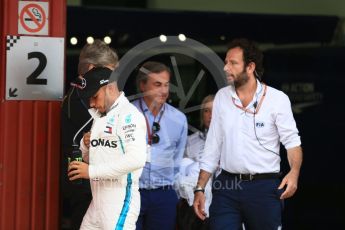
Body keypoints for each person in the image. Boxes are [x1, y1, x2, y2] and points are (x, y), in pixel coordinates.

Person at [193, 38, 303, 230]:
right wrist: (200, 188)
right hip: (227, 186)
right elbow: (213, 146)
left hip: (264, 186)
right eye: (226, 62)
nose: (226, 68)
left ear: (250, 67)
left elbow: (292, 143)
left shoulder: (277, 99)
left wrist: (294, 173)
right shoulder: (221, 97)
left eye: (233, 63)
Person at [67, 67, 147, 229]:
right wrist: (85, 145)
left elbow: (136, 159)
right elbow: (93, 160)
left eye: (94, 97)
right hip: (96, 203)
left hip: (119, 202)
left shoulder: (129, 115)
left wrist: (90, 171)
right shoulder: (100, 116)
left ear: (110, 87)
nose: (91, 103)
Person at [60, 39, 118, 229]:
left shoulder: (77, 94)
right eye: (108, 72)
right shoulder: (82, 98)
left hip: (89, 182)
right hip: (87, 186)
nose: (112, 79)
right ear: (92, 69)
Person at [132, 61, 188, 230]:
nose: (164, 91)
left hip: (164, 194)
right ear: (142, 85)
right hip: (132, 192)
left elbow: (178, 160)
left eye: (166, 85)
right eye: (157, 85)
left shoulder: (179, 119)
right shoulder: (127, 114)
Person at [175, 95, 214, 230]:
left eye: (214, 111)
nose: (210, 115)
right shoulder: (190, 140)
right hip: (192, 201)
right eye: (206, 111)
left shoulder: (228, 141)